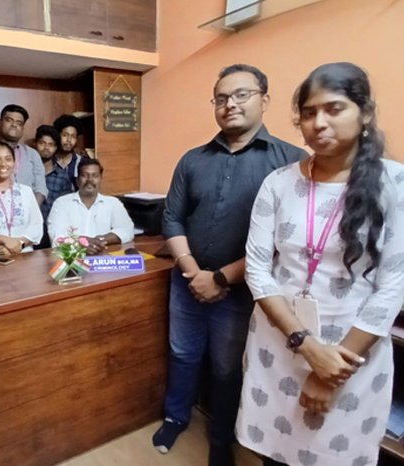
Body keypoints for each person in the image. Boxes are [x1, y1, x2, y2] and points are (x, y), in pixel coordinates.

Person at [237, 62, 404, 466]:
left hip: (351, 357)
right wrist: (305, 345)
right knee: (272, 455)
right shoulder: (279, 182)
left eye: (334, 109)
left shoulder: (394, 184)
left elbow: (394, 284)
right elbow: (257, 269)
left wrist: (330, 368)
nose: (319, 123)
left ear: (365, 113)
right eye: (309, 113)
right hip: (279, 344)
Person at [155, 64, 306, 466]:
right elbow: (172, 217)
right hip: (187, 282)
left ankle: (221, 438)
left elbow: (285, 241)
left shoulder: (291, 163)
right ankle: (175, 417)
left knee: (227, 368)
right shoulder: (193, 160)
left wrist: (221, 278)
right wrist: (193, 272)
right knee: (182, 354)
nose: (230, 104)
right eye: (221, 98)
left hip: (243, 292)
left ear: (265, 99)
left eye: (241, 95)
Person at [47, 158, 134, 254]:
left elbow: (127, 230)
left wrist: (100, 240)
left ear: (101, 179)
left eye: (95, 175)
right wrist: (81, 243)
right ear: (77, 180)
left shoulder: (113, 203)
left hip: (102, 257)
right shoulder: (61, 203)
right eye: (84, 175)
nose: (90, 180)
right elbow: (57, 236)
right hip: (71, 258)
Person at [0, 104, 48, 205]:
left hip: (29, 209)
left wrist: (30, 209)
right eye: (9, 120)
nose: (14, 125)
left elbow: (40, 188)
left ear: (23, 129)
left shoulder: (32, 154)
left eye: (19, 123)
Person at [34, 124, 73, 248]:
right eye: (42, 143)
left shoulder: (62, 177)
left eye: (51, 144)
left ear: (56, 148)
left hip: (51, 233)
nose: (46, 148)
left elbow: (65, 208)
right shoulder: (27, 173)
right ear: (35, 144)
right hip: (28, 230)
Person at [53, 114, 85, 189]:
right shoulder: (48, 160)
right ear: (57, 135)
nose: (69, 140)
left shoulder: (81, 162)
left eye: (73, 136)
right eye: (65, 135)